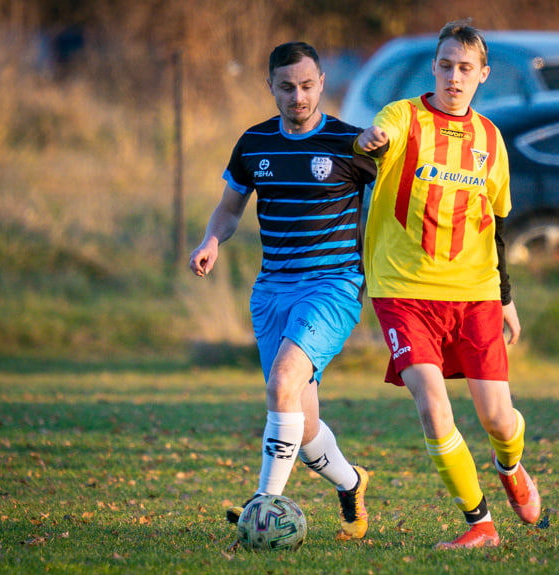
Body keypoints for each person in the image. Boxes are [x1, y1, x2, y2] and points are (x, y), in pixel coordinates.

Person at [355, 19, 540, 549]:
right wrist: (371, 141)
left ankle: (512, 466)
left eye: (465, 68)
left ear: (482, 74)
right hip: (403, 289)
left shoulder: (490, 138)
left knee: (499, 420)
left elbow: (497, 223)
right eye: (445, 66)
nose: (453, 77)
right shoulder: (403, 117)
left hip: (475, 293)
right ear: (433, 68)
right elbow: (372, 141)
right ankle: (479, 524)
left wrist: (505, 298)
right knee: (432, 405)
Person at [189, 41, 376, 544]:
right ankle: (353, 482)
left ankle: (261, 506)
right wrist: (212, 239)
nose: (299, 96)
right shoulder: (253, 144)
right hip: (272, 291)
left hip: (333, 287)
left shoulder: (351, 144)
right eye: (287, 86)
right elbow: (229, 210)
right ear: (269, 86)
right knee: (302, 418)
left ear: (322, 83)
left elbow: (396, 200)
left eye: (308, 85)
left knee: (281, 383)